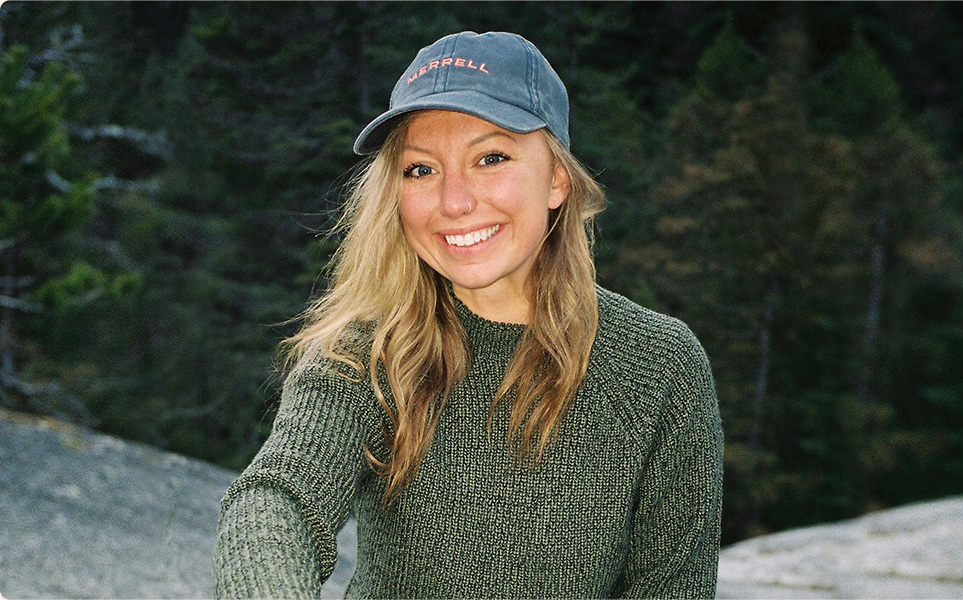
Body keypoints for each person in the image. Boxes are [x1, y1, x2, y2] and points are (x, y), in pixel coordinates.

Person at [213, 31, 723, 599]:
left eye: (491, 158)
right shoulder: (361, 353)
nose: (453, 201)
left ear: (557, 178)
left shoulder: (660, 365)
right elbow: (276, 504)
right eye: (421, 170)